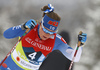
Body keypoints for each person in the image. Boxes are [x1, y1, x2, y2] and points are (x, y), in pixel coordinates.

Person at [0, 4, 87, 70]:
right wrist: (23, 26)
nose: (47, 35)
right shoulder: (30, 28)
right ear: (40, 24)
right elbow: (6, 35)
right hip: (7, 67)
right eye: (45, 30)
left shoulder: (56, 40)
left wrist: (80, 46)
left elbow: (73, 57)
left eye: (51, 32)